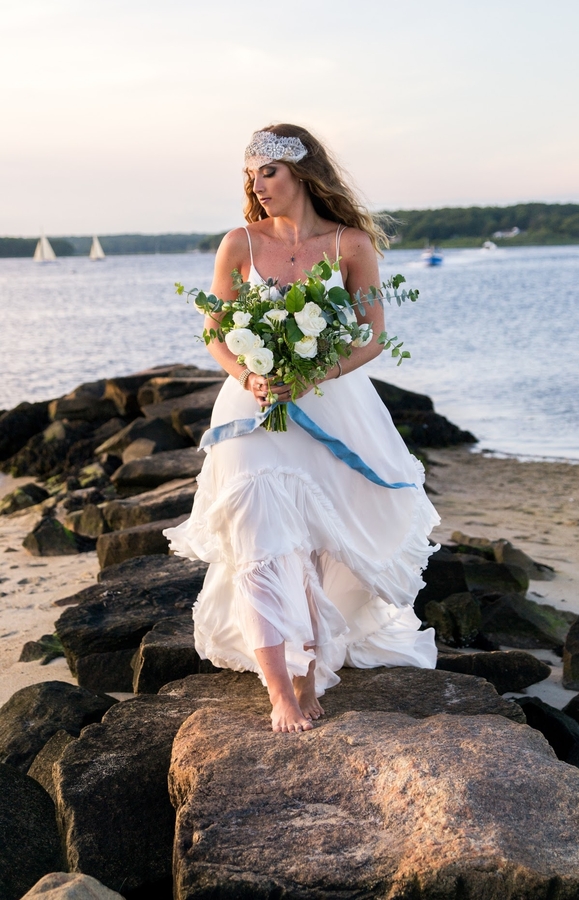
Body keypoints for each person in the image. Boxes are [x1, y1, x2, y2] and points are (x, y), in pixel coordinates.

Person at [164, 124, 440, 733]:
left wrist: (313, 375)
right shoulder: (239, 243)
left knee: (315, 545)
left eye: (269, 172)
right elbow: (216, 328)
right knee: (260, 541)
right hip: (250, 410)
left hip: (329, 405)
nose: (258, 186)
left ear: (303, 174)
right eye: (251, 175)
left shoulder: (351, 244)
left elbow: (371, 334)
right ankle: (278, 691)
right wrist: (251, 374)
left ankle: (307, 674)